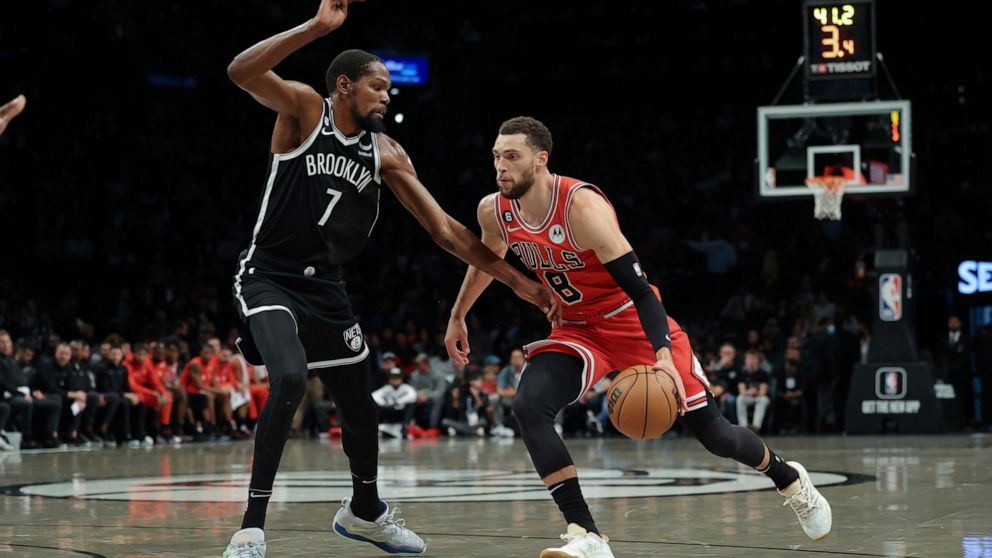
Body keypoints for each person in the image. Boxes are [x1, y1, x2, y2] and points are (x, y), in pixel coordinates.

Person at [222, 3, 558, 556]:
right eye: (377, 87)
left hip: (325, 288)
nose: (386, 96)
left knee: (360, 406)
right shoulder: (306, 110)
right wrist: (314, 29)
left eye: (389, 90)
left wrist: (520, 283)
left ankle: (366, 512)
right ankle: (251, 528)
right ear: (344, 86)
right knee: (288, 377)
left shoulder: (386, 151)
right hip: (269, 277)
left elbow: (446, 231)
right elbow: (241, 73)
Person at [445, 117, 832, 557]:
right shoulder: (493, 210)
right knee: (528, 405)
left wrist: (663, 354)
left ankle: (789, 479)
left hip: (632, 322)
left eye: (511, 156)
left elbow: (642, 292)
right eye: (496, 156)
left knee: (716, 436)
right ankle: (586, 534)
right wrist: (459, 314)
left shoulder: (581, 208)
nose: (500, 166)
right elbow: (486, 258)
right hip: (577, 327)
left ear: (540, 159)